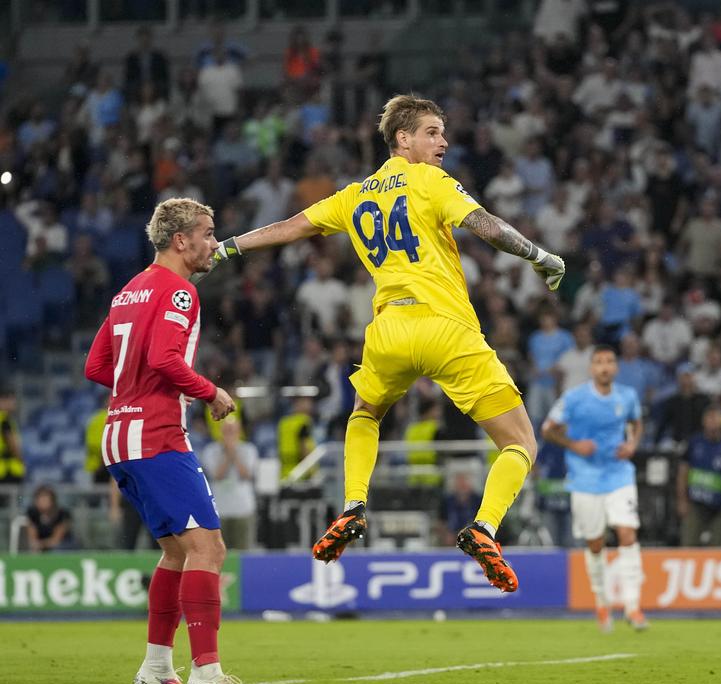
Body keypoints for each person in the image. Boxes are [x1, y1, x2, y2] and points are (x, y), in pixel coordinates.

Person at [208, 95, 565, 593]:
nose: (443, 142)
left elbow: (292, 228)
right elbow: (485, 225)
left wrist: (226, 246)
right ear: (403, 139)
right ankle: (484, 528)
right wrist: (539, 254)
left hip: (388, 332)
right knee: (520, 442)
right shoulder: (429, 181)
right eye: (433, 132)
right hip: (445, 327)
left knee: (364, 414)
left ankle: (353, 506)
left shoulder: (354, 195)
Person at [83, 198, 259, 684]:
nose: (212, 243)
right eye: (206, 233)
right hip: (156, 436)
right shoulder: (179, 291)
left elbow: (98, 367)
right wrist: (210, 391)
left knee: (178, 553)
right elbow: (162, 358)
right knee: (209, 550)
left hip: (118, 436)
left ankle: (157, 667)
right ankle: (208, 672)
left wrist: (134, 384)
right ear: (179, 240)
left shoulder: (127, 292)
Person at [542, 346, 647, 632]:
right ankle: (602, 603)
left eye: (610, 361)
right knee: (595, 543)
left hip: (619, 475)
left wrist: (633, 444)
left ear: (616, 367)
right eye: (599, 362)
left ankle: (633, 606)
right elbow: (547, 428)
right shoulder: (574, 399)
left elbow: (637, 423)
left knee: (627, 533)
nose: (605, 367)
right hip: (585, 479)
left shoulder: (627, 396)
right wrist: (575, 445)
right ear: (591, 368)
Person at [676, 406, 721, 547]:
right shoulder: (694, 442)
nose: (713, 421)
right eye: (709, 418)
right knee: (688, 543)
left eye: (716, 417)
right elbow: (683, 472)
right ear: (703, 421)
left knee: (717, 545)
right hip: (694, 502)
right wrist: (682, 499)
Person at [200, 414, 259, 550]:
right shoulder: (211, 450)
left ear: (239, 432)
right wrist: (228, 453)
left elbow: (246, 474)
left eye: (233, 431)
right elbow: (217, 475)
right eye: (227, 431)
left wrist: (234, 452)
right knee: (219, 551)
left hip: (243, 509)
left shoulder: (249, 449)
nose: (230, 434)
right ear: (221, 432)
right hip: (220, 510)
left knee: (243, 550)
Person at [24, 486, 76, 552]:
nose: (42, 502)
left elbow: (56, 540)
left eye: (45, 499)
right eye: (40, 498)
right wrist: (35, 545)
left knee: (57, 550)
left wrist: (41, 544)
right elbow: (32, 537)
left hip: (64, 547)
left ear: (52, 501)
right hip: (42, 546)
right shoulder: (32, 514)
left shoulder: (63, 514)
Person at [0, 388, 25, 484]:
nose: (14, 403)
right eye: (10, 399)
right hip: (8, 471)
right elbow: (13, 446)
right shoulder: (5, 420)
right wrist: (21, 459)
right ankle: (19, 500)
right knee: (18, 498)